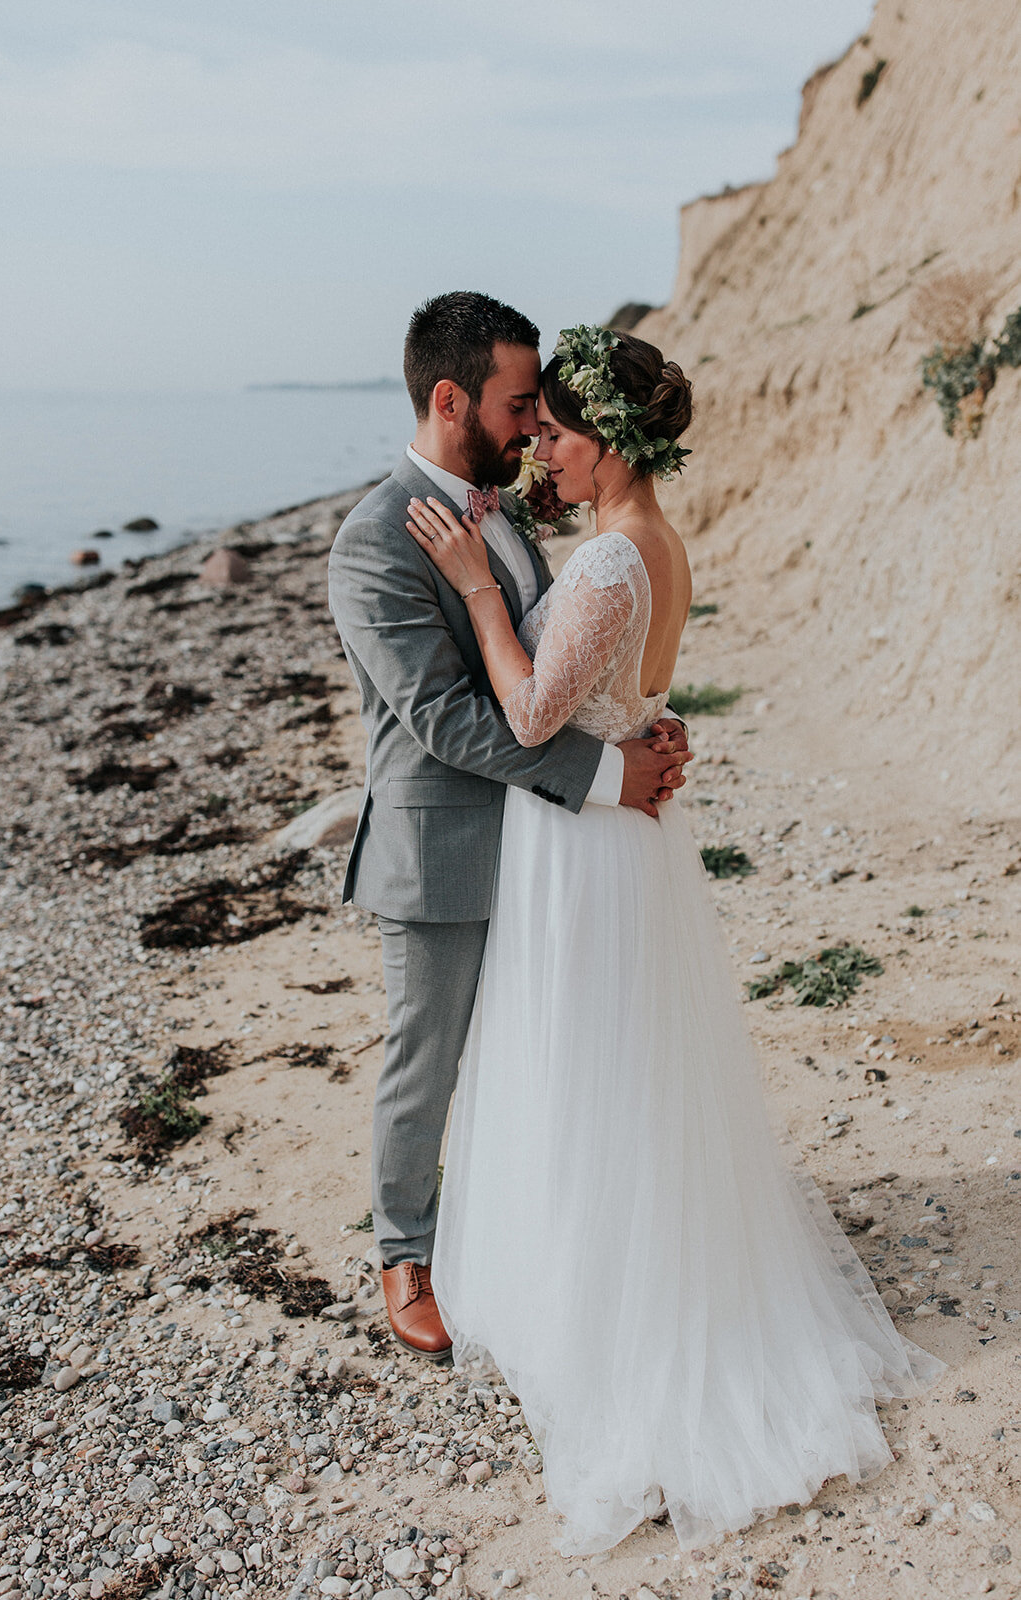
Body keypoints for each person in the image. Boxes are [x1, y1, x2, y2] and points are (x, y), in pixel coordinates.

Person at [404, 322, 945, 1554]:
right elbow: (635, 697)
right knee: (620, 1077)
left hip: (584, 855)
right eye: (531, 425)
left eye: (555, 431)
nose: (540, 443)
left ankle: (610, 1321)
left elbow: (539, 710)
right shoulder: (655, 545)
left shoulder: (604, 563)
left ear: (612, 442)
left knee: (586, 1075)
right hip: (624, 843)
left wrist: (483, 593)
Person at [327, 294, 692, 1362]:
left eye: (541, 409)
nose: (535, 427)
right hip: (441, 847)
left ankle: (527, 1247)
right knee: (426, 1060)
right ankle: (403, 1254)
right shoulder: (370, 541)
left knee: (542, 1061)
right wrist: (601, 774)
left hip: (550, 852)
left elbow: (570, 663)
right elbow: (440, 719)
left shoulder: (511, 512)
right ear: (451, 400)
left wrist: (646, 725)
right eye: (517, 404)